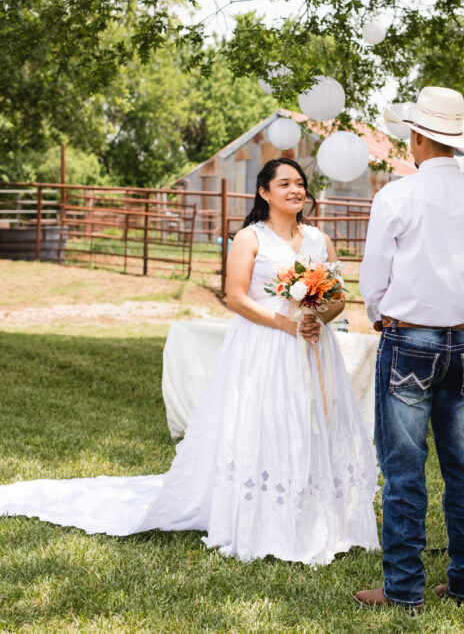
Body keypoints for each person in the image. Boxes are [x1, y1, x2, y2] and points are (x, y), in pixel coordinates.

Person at [0, 157, 380, 565]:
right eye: (284, 183)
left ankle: (318, 518)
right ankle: (263, 514)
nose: (295, 190)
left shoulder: (319, 241)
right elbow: (236, 297)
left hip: (311, 345)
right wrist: (285, 325)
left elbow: (338, 299)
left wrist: (314, 317)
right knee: (265, 419)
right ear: (264, 192)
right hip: (264, 343)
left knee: (312, 421)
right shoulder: (251, 238)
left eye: (300, 183)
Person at [354, 86, 464, 612]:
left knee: (404, 468)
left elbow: (374, 276)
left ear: (418, 139)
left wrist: (379, 316)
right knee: (462, 467)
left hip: (409, 336)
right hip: (462, 339)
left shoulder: (396, 195)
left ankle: (404, 589)